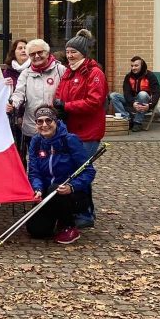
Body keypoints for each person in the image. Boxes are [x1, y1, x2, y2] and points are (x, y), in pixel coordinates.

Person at [53, 28, 106, 229]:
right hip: (72, 130)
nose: (70, 55)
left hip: (88, 132)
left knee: (81, 173)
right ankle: (77, 209)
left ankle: (85, 213)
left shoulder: (94, 73)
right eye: (67, 52)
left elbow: (94, 101)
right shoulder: (69, 72)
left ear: (83, 52)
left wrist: (66, 107)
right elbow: (59, 94)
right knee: (72, 172)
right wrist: (57, 107)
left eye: (73, 52)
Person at [24, 105, 94, 245]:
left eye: (48, 120)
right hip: (48, 194)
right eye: (40, 121)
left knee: (54, 189)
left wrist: (72, 186)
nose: (44, 125)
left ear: (56, 121)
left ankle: (69, 226)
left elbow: (89, 171)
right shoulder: (36, 142)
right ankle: (55, 219)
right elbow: (34, 172)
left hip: (72, 194)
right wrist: (37, 188)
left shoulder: (69, 140)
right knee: (36, 230)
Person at [7, 38, 65, 156]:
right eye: (32, 54)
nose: (37, 56)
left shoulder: (60, 70)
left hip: (55, 126)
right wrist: (13, 103)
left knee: (57, 160)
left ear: (47, 53)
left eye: (40, 52)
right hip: (33, 127)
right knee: (37, 159)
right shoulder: (26, 74)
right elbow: (19, 93)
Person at [109, 55, 160, 131]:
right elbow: (126, 93)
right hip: (133, 101)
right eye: (132, 66)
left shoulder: (150, 76)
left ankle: (137, 122)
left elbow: (156, 93)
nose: (133, 68)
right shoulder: (128, 76)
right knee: (113, 95)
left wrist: (150, 105)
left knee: (142, 94)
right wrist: (133, 102)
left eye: (136, 65)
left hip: (145, 101)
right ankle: (128, 119)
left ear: (142, 66)